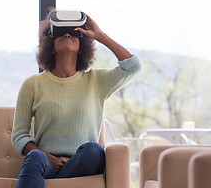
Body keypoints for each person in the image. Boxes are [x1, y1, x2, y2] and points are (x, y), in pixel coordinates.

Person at [11, 10, 141, 188]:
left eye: (74, 32)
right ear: (50, 43)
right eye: (61, 32)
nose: (67, 34)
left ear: (82, 45)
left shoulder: (96, 81)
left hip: (84, 161)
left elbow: (133, 67)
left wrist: (100, 36)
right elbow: (19, 136)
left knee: (94, 149)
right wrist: (50, 158)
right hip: (46, 162)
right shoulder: (33, 84)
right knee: (35, 156)